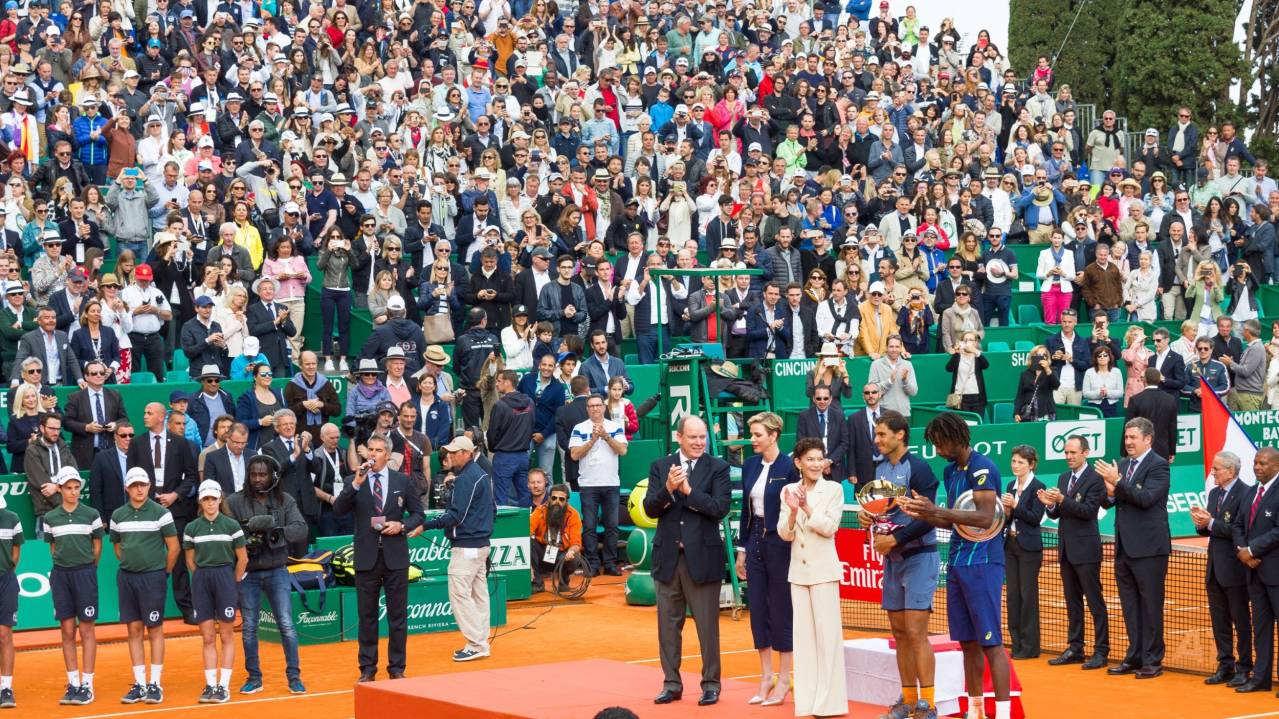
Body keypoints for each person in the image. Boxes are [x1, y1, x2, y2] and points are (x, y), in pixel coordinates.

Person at [899, 413, 1013, 719]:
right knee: (968, 643)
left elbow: (985, 517)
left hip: (984, 563)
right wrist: (921, 513)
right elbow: (949, 519)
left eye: (939, 443)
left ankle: (1002, 713)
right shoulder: (951, 472)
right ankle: (975, 711)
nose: (936, 449)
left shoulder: (983, 467)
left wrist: (937, 509)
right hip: (959, 563)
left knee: (992, 644)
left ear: (955, 437)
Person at [643, 415, 731, 706]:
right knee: (667, 628)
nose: (698, 443)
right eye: (692, 437)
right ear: (678, 437)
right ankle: (671, 683)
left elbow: (719, 508)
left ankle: (711, 684)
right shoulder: (659, 466)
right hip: (668, 559)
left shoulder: (718, 467)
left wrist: (689, 492)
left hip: (703, 560)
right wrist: (668, 488)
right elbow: (649, 509)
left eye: (702, 437)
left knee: (707, 628)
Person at [858, 410, 939, 719]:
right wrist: (869, 516)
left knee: (916, 632)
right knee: (899, 632)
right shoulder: (880, 470)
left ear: (900, 435)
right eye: (876, 434)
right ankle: (907, 701)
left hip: (919, 557)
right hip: (892, 562)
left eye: (881, 434)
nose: (876, 440)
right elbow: (882, 512)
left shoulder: (918, 469)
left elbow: (927, 517)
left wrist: (896, 540)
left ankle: (927, 704)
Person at [334, 434, 424, 681]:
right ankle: (367, 669)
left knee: (397, 617)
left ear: (388, 454)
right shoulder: (355, 480)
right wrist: (355, 484)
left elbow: (419, 514)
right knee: (367, 616)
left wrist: (402, 525)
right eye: (370, 450)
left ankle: (397, 669)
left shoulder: (402, 481)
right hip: (366, 557)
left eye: (378, 450)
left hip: (395, 557)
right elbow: (338, 510)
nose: (373, 454)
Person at [223, 454, 308, 695]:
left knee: (287, 625)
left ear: (273, 476)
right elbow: (227, 532)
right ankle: (254, 678)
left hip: (277, 570)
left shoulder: (285, 500)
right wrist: (246, 535)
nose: (258, 479)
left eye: (263, 474)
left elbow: (301, 528)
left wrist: (275, 531)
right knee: (249, 627)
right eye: (253, 474)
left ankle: (294, 677)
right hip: (248, 573)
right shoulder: (234, 501)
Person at [1096, 418, 1171, 679]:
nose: (1128, 442)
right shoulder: (1124, 464)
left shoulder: (1159, 465)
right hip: (1124, 548)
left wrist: (1117, 482)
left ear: (1148, 439)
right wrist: (1110, 492)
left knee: (1151, 607)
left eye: (1133, 438)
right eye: (1126, 437)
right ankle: (1135, 656)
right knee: (1130, 607)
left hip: (1150, 549)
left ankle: (1153, 660)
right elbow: (1110, 502)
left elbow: (1146, 499)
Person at [778, 437, 847, 716]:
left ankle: (830, 704)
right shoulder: (788, 490)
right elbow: (785, 533)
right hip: (799, 573)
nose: (816, 464)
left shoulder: (834, 490)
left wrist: (807, 508)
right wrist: (794, 511)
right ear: (798, 463)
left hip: (824, 573)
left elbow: (830, 527)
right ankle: (806, 701)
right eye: (810, 459)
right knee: (804, 641)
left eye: (820, 459)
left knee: (827, 638)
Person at [736, 412, 796, 705]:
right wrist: (741, 550)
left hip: (782, 543)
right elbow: (746, 512)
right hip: (754, 540)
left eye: (758, 434)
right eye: (752, 434)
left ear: (773, 436)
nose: (753, 439)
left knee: (782, 608)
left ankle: (785, 677)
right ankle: (766, 675)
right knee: (757, 607)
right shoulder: (749, 465)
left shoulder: (790, 467)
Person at [420, 436, 496, 663]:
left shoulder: (466, 479)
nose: (449, 456)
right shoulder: (481, 474)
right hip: (481, 545)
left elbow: (455, 516)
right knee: (478, 595)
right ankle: (480, 642)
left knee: (461, 596)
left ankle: (477, 643)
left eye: (454, 452)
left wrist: (424, 525)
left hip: (466, 547)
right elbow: (493, 509)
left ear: (466, 453)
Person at [110, 467, 181, 705]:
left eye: (143, 484)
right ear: (127, 488)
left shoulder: (161, 513)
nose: (139, 489)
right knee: (133, 630)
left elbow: (174, 547)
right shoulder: (118, 515)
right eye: (134, 485)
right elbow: (118, 547)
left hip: (153, 578)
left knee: (155, 629)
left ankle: (155, 683)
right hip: (128, 578)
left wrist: (163, 573)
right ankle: (140, 684)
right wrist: (132, 562)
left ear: (149, 486)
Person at [1040, 435, 1110, 669]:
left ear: (1085, 453)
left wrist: (1061, 499)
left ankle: (1101, 651)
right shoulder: (1062, 477)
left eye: (1073, 453)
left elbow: (1089, 511)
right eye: (1066, 453)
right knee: (1072, 602)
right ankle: (1076, 648)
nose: (1068, 457)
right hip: (1066, 550)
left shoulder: (1096, 479)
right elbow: (1057, 514)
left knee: (1094, 601)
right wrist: (1050, 504)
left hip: (1087, 550)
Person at [1190, 452, 1253, 688]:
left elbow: (1240, 530)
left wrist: (1212, 523)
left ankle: (1244, 667)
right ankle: (1225, 665)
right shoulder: (1215, 493)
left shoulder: (1246, 493)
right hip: (1214, 568)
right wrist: (1201, 525)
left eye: (1217, 469)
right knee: (1219, 621)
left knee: (1241, 621)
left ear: (1231, 471)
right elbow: (1211, 528)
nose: (1213, 472)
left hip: (1235, 570)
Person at [184, 480, 248, 705]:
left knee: (227, 635)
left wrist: (233, 581)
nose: (210, 503)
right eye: (206, 499)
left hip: (225, 580)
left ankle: (224, 685)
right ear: (201, 501)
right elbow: (190, 561)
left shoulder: (231, 526)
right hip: (202, 581)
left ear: (220, 499)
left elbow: (242, 559)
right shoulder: (191, 528)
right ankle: (211, 684)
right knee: (208, 636)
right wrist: (202, 577)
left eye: (213, 498)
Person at [43, 466, 101, 706]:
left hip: (85, 574)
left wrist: (87, 567)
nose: (73, 492)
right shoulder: (50, 518)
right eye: (68, 488)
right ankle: (73, 682)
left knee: (87, 630)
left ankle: (87, 684)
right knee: (67, 631)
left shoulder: (91, 514)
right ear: (60, 489)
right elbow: (53, 547)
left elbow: (97, 546)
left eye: (77, 487)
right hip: (61, 576)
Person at [1233, 448, 1279, 693]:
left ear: (1276, 465)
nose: (1257, 467)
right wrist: (1243, 551)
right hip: (1253, 572)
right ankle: (1260, 679)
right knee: (1260, 628)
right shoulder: (1251, 492)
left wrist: (1251, 550)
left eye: (1262, 463)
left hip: (1275, 572)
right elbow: (1239, 524)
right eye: (1255, 462)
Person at [568, 393, 628, 576]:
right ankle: (593, 564)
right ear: (587, 409)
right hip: (588, 484)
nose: (595, 408)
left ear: (604, 407)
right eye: (591, 406)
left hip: (610, 483)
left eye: (598, 405)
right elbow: (574, 454)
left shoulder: (615, 427)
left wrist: (606, 437)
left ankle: (610, 563)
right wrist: (593, 440)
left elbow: (623, 450)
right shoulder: (579, 428)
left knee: (611, 525)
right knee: (590, 526)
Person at [1003, 445, 1046, 659]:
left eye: (1020, 462)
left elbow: (1035, 517)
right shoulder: (1011, 485)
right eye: (1013, 461)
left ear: (1031, 465)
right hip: (1009, 546)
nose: (1016, 465)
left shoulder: (1039, 486)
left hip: (1029, 549)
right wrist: (1006, 511)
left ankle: (1030, 647)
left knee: (1027, 596)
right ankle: (1016, 643)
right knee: (1012, 596)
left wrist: (1015, 505)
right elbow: (1010, 517)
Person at [61, 359, 126, 469]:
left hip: (110, 450)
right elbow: (66, 422)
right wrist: (87, 427)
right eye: (94, 373)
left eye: (102, 373)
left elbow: (124, 418)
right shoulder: (75, 397)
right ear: (86, 377)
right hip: (84, 453)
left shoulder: (115, 395)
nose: (99, 376)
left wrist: (116, 425)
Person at [487, 370, 535, 507]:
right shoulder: (530, 402)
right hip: (523, 456)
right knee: (525, 496)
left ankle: (504, 529)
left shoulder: (500, 405)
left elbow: (492, 433)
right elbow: (532, 425)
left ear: (508, 382)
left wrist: (493, 447)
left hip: (504, 457)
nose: (496, 384)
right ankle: (526, 527)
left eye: (499, 381)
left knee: (501, 500)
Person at [528, 483, 583, 594]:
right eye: (554, 498)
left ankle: (563, 583)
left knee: (575, 557)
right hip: (543, 554)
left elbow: (577, 543)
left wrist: (571, 552)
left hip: (562, 556)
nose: (557, 502)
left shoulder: (574, 515)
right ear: (549, 499)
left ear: (566, 501)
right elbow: (527, 531)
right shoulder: (540, 511)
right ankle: (537, 583)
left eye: (561, 499)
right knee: (528, 542)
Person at [518, 354, 565, 476]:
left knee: (546, 473)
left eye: (550, 365)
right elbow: (517, 401)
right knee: (522, 470)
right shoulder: (527, 380)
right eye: (544, 364)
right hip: (525, 431)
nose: (546, 368)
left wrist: (543, 434)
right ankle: (523, 495)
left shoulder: (559, 388)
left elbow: (558, 415)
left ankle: (548, 495)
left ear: (555, 368)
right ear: (539, 365)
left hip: (548, 433)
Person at [246, 277, 297, 377]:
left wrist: (283, 322)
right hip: (262, 355)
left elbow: (292, 332)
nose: (268, 291)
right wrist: (274, 322)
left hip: (280, 357)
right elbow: (253, 330)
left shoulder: (282, 307)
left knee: (277, 388)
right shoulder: (253, 309)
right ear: (259, 292)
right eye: (265, 289)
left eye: (271, 289)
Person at [1126, 368, 1180, 461]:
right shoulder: (1170, 399)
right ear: (1159, 380)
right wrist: (1171, 451)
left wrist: (1125, 452)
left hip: (1141, 450)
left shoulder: (1135, 400)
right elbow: (1172, 427)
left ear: (1144, 380)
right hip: (1162, 450)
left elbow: (1128, 427)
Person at [796, 385, 848, 480]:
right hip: (811, 469)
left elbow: (844, 442)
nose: (822, 401)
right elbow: (801, 442)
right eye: (819, 398)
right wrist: (819, 463)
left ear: (830, 399)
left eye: (825, 398)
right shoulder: (804, 416)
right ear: (814, 399)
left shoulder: (839, 416)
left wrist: (829, 461)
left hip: (834, 469)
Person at [0, 490, 21, 708]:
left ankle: (6, 688)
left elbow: (16, 552)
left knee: (4, 634)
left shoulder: (11, 518)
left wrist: (7, 570)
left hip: (5, 581)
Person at [868, 335, 917, 417]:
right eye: (891, 346)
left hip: (903, 414)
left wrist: (905, 381)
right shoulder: (876, 365)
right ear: (886, 347)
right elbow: (872, 392)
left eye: (897, 347)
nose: (894, 350)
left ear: (901, 348)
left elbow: (913, 392)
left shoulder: (908, 365)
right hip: (883, 415)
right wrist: (889, 381)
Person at [1225, 318, 1267, 411]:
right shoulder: (1252, 347)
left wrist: (1230, 363)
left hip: (1249, 395)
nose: (1242, 331)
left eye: (1243, 329)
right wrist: (1231, 364)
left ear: (1247, 331)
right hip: (1244, 393)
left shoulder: (1256, 348)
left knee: (1250, 426)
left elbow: (1246, 371)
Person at [945, 331, 989, 417]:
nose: (968, 342)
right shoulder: (958, 356)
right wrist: (956, 353)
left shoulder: (977, 356)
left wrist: (976, 351)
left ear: (976, 343)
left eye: (971, 340)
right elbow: (948, 369)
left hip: (977, 398)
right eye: (965, 340)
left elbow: (986, 365)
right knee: (963, 426)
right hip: (960, 398)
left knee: (976, 424)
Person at [579, 329, 631, 397]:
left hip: (618, 404)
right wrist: (605, 389)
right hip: (598, 405)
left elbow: (631, 387)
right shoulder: (585, 366)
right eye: (597, 343)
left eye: (603, 342)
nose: (601, 346)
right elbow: (584, 392)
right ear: (592, 345)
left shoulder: (618, 362)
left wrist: (626, 386)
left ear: (607, 343)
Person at [1014, 346, 1059, 422]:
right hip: (1030, 413)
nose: (1041, 357)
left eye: (1043, 355)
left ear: (1047, 358)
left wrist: (1047, 370)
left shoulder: (1052, 371)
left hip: (1047, 412)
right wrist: (1016, 412)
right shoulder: (1025, 374)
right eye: (1038, 354)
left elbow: (1056, 385)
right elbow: (1020, 396)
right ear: (1032, 357)